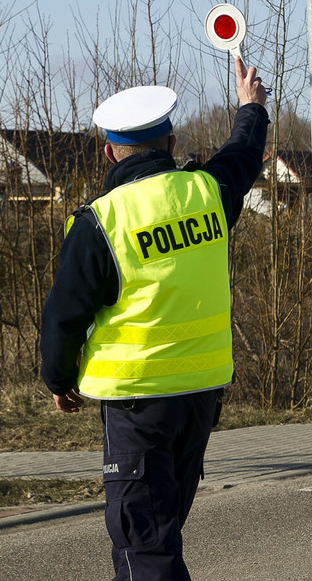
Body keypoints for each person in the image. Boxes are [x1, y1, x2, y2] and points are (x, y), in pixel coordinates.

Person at [40, 54, 268, 581]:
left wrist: (59, 378)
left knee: (145, 545)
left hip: (138, 405)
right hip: (201, 397)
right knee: (157, 535)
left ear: (108, 151)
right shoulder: (208, 194)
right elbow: (242, 154)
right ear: (170, 144)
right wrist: (249, 108)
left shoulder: (100, 221)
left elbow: (64, 316)